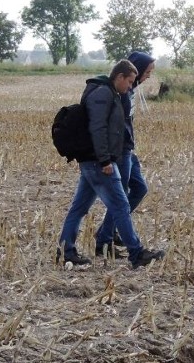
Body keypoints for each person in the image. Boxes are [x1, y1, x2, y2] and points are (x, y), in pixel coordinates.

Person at [57, 59, 165, 268]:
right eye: (129, 81)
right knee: (121, 205)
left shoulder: (107, 92)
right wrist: (105, 159)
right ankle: (137, 254)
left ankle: (65, 251)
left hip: (93, 161)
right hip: (98, 162)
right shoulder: (102, 94)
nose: (130, 86)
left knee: (79, 208)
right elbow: (98, 129)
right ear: (119, 77)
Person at [94, 51, 155, 258]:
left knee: (139, 188)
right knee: (119, 198)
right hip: (120, 151)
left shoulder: (131, 91)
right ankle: (105, 240)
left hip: (128, 149)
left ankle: (108, 231)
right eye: (147, 71)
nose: (148, 76)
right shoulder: (121, 92)